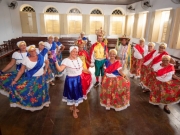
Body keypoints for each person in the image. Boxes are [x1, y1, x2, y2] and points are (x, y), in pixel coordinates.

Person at [10, 45, 50, 111]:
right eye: (31, 51)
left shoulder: (41, 57)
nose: (33, 52)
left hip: (41, 78)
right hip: (31, 78)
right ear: (28, 52)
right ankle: (32, 104)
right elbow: (21, 71)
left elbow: (47, 62)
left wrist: (45, 70)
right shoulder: (26, 59)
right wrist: (15, 80)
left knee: (42, 91)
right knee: (32, 92)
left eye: (34, 50)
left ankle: (44, 102)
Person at [55, 46, 85, 118]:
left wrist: (87, 72)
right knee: (74, 95)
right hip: (71, 80)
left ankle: (72, 107)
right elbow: (60, 69)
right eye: (73, 51)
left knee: (75, 94)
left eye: (76, 52)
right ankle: (74, 110)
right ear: (70, 52)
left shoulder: (78, 59)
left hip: (78, 79)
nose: (75, 53)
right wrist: (55, 62)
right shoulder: (66, 60)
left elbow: (81, 69)